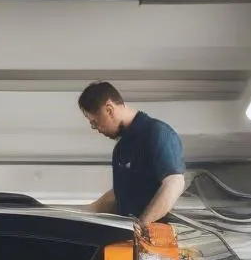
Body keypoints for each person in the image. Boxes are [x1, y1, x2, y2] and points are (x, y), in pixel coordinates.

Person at [78, 81, 186, 225]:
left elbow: (174, 183)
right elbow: (119, 196)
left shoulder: (157, 133)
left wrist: (141, 225)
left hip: (156, 242)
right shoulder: (121, 148)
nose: (94, 128)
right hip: (131, 241)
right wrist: (79, 214)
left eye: (95, 122)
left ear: (109, 109)